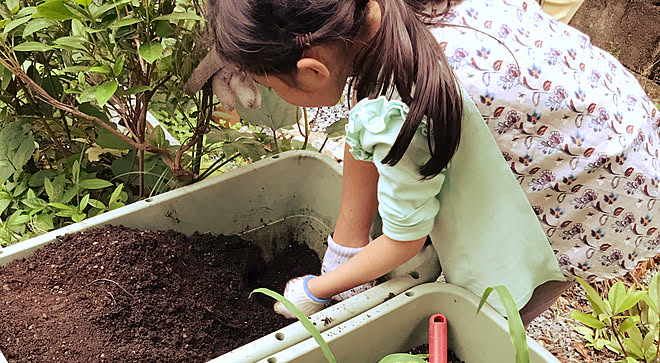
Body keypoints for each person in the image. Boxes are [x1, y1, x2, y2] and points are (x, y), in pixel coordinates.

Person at [196, 0, 659, 324]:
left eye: (273, 85)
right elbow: (365, 128)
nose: (273, 94)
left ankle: (488, 344)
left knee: (502, 295)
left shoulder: (407, 103)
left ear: (312, 71)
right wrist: (345, 248)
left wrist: (317, 290)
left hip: (600, 186)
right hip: (602, 108)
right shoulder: (379, 18)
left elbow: (402, 239)